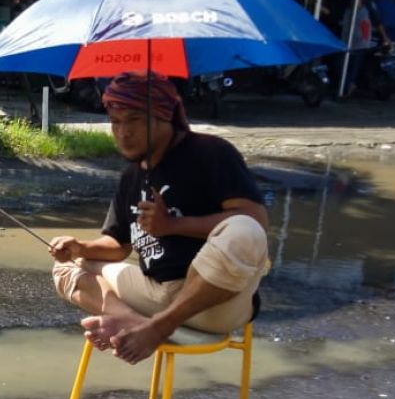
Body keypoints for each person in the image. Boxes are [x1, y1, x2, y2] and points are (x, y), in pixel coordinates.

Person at [49, 71, 270, 365]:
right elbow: (118, 246)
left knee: (245, 231)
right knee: (66, 268)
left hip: (213, 301)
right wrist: (78, 247)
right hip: (154, 293)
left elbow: (256, 220)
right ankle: (130, 320)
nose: (123, 132)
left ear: (165, 116)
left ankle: (157, 328)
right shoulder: (131, 176)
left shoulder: (211, 153)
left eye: (135, 120)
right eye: (116, 122)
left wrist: (173, 226)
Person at [339, 0, 391, 98]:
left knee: (354, 68)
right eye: (351, 0)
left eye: (355, 0)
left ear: (360, 0)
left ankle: (349, 87)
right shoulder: (348, 11)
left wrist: (385, 38)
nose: (353, 2)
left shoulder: (367, 11)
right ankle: (346, 86)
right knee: (344, 66)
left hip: (361, 45)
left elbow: (377, 24)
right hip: (347, 44)